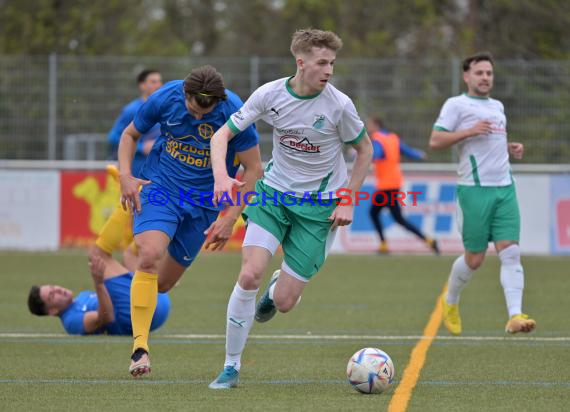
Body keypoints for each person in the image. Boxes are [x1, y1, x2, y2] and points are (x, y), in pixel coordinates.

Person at [208, 28, 373, 389]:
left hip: (319, 209)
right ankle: (231, 367)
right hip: (274, 196)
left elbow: (365, 150)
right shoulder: (269, 94)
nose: (329, 70)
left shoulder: (339, 105)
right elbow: (221, 135)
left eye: (332, 63)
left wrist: (348, 198)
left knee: (284, 302)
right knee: (248, 275)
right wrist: (222, 176)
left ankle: (274, 291)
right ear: (301, 62)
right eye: (321, 62)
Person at [118, 65, 263, 377]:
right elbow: (130, 135)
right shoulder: (165, 96)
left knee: (164, 283)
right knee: (149, 255)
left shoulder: (234, 110)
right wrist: (125, 176)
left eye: (205, 113)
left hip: (203, 205)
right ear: (184, 94)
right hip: (161, 188)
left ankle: (122, 289)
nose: (198, 118)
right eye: (193, 109)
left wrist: (230, 218)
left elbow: (253, 169)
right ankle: (139, 349)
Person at [429, 52, 536, 336]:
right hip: (474, 191)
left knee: (511, 251)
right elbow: (436, 140)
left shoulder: (498, 106)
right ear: (467, 76)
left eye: (489, 73)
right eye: (480, 73)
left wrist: (510, 148)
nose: (485, 77)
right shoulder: (456, 105)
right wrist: (468, 131)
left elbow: (490, 143)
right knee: (474, 259)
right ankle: (450, 301)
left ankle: (515, 315)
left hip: (504, 187)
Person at [91, 70, 164, 270]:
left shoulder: (165, 107)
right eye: (153, 81)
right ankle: (134, 267)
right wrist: (142, 147)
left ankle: (148, 265)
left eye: (160, 81)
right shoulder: (133, 109)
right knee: (136, 220)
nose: (158, 85)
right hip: (137, 174)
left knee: (154, 219)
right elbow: (114, 137)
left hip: (160, 174)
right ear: (142, 85)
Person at [27, 255, 170, 336]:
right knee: (97, 253)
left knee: (129, 252)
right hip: (133, 317)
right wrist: (99, 283)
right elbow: (107, 317)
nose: (58, 290)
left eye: (53, 287)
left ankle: (161, 278)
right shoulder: (71, 321)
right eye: (52, 295)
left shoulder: (81, 297)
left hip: (155, 300)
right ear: (52, 311)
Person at [367, 116, 439, 255]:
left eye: (369, 124)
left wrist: (360, 153)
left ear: (376, 125)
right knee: (377, 214)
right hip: (394, 183)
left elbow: (377, 153)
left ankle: (428, 241)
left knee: (394, 218)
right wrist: (419, 155)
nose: (368, 127)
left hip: (386, 186)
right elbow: (406, 150)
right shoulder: (393, 138)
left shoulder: (377, 138)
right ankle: (385, 244)